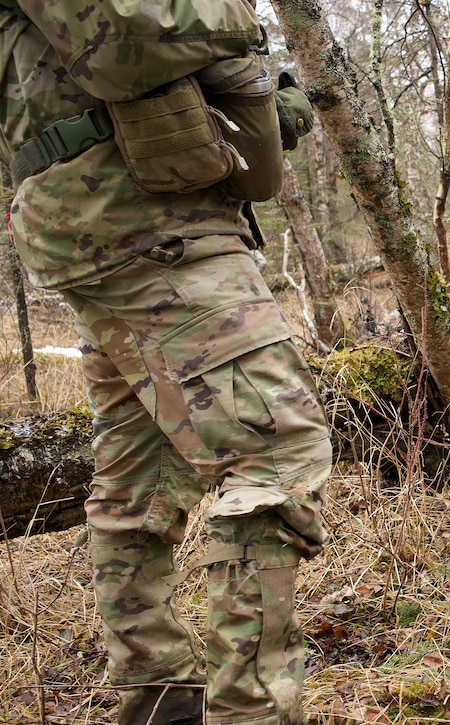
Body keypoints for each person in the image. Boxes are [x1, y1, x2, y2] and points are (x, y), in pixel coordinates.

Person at [0, 2, 329, 724]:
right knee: (277, 452)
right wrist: (239, 22)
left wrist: (268, 104)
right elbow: (128, 37)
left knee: (140, 479)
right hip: (140, 222)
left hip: (118, 221)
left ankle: (159, 700)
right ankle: (253, 710)